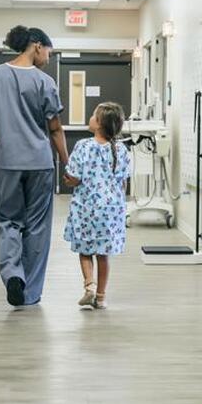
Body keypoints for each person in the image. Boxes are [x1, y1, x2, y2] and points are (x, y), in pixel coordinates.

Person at [0, 25, 69, 307]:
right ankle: (29, 293)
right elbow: (55, 128)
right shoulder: (45, 83)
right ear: (37, 46)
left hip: (6, 163)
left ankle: (12, 273)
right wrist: (67, 163)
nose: (48, 59)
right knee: (37, 227)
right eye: (48, 52)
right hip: (40, 164)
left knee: (8, 222)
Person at [63, 102, 130, 309]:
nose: (90, 117)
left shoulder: (83, 146)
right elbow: (123, 182)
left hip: (86, 207)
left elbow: (74, 176)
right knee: (103, 254)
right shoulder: (121, 150)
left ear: (99, 123)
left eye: (93, 115)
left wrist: (69, 181)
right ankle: (101, 298)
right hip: (110, 210)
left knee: (85, 249)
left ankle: (89, 285)